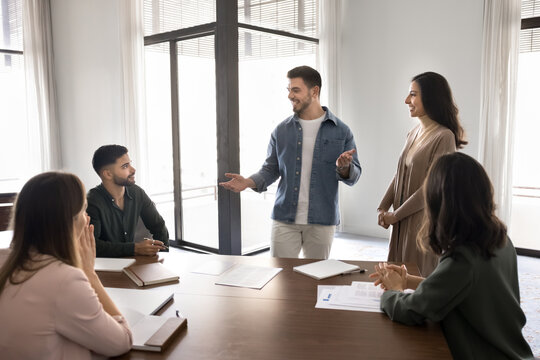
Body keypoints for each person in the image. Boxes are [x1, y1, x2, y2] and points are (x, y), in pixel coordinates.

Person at [370, 153, 534, 360]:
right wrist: (409, 280)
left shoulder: (463, 259)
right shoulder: (500, 240)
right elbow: (459, 288)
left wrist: (394, 291)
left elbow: (412, 311)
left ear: (439, 202)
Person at [220, 66, 361, 259]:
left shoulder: (341, 131)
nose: (290, 96)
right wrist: (247, 182)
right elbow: (270, 170)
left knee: (315, 278)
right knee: (281, 278)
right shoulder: (281, 130)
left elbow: (355, 174)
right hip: (285, 219)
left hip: (322, 220)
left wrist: (344, 168)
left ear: (314, 91)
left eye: (296, 90)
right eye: (288, 90)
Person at [0, 172, 132, 359]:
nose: (87, 219)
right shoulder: (64, 279)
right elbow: (122, 341)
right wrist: (88, 273)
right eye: (83, 211)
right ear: (68, 222)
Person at [377, 71, 467, 276]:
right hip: (400, 220)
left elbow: (431, 186)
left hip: (421, 222)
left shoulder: (444, 137)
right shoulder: (414, 132)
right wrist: (382, 207)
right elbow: (399, 173)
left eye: (413, 94)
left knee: (416, 277)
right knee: (396, 275)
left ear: (431, 97)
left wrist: (395, 215)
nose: (407, 100)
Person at [87, 145, 169, 257]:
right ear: (108, 174)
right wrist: (135, 248)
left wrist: (163, 256)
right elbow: (93, 245)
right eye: (125, 166)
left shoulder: (137, 193)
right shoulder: (91, 202)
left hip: (132, 262)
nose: (133, 170)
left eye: (130, 163)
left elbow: (159, 226)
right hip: (104, 268)